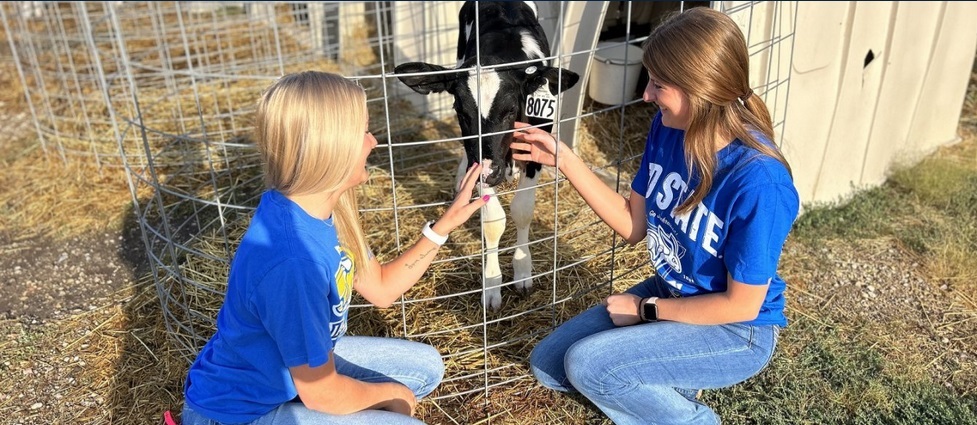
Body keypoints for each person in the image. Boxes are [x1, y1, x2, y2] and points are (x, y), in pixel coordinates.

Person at [512, 7, 800, 425]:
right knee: (549, 364)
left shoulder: (759, 182)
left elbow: (740, 304)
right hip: (674, 290)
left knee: (589, 366)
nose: (645, 95)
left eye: (658, 85)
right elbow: (633, 225)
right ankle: (668, 377)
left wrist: (646, 310)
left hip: (735, 328)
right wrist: (565, 159)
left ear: (701, 90)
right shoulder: (668, 129)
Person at [180, 71, 490, 425]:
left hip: (289, 377)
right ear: (331, 146)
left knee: (425, 369)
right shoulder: (293, 261)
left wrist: (442, 227)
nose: (373, 141)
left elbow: (382, 288)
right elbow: (322, 392)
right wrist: (391, 396)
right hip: (240, 414)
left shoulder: (326, 209)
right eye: (362, 132)